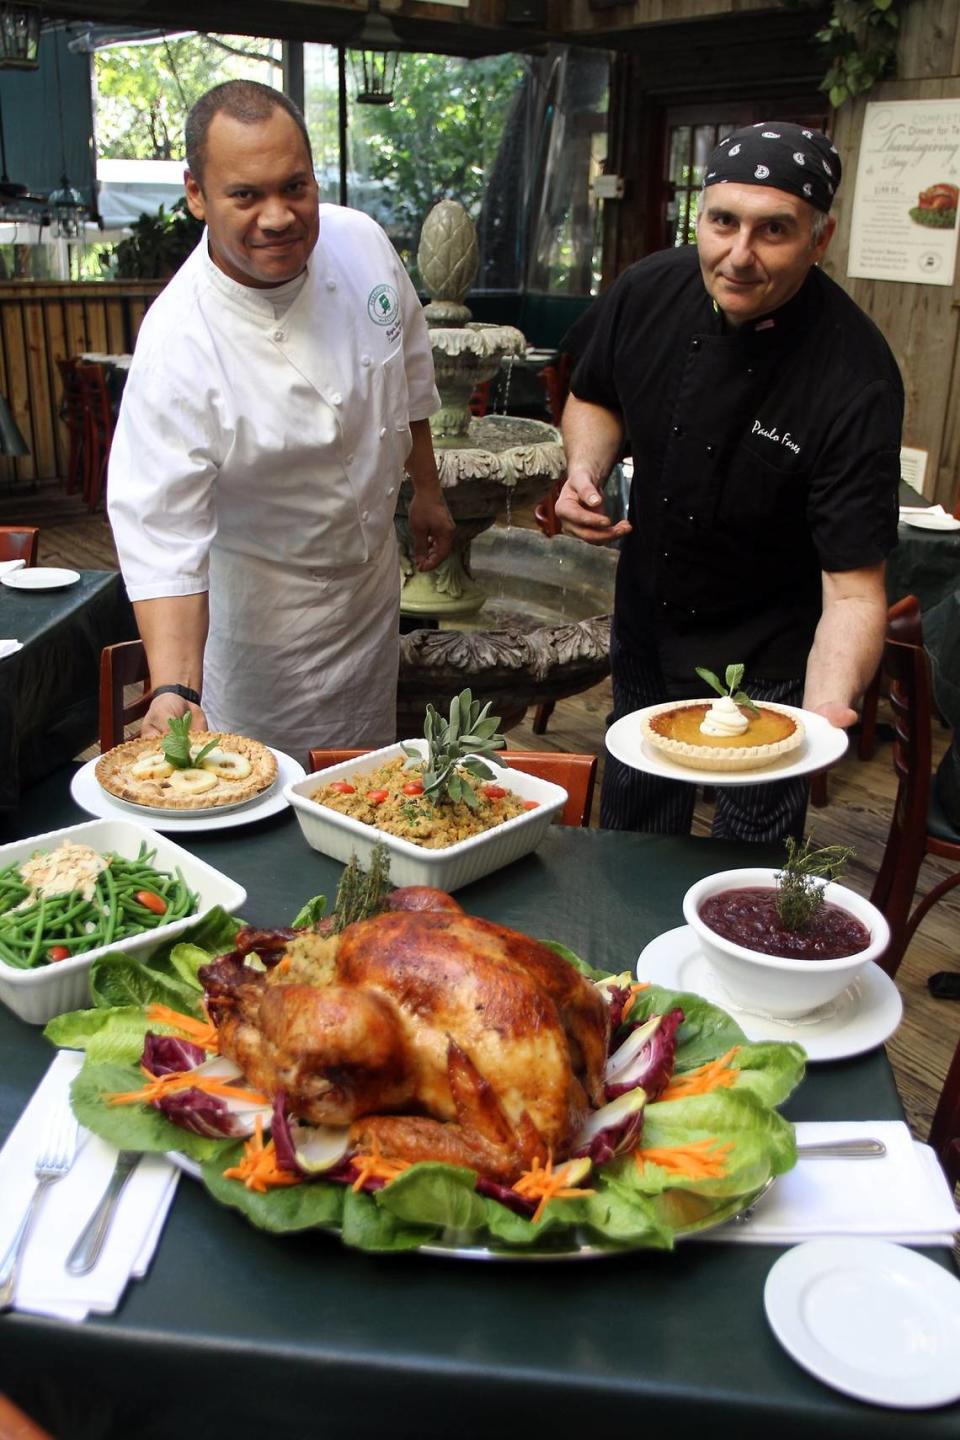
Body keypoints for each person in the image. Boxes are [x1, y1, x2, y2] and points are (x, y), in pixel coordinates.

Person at [556, 121, 903, 842]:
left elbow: (852, 590)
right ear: (701, 217)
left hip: (766, 647)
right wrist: (584, 470)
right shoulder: (647, 289)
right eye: (723, 222)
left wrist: (827, 704)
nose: (738, 256)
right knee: (635, 827)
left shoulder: (854, 375)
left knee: (751, 852)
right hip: (649, 613)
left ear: (820, 238)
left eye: (773, 231)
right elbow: (595, 393)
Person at [107, 80, 454, 762]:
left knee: (364, 784)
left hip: (368, 588)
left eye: (294, 187)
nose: (278, 216)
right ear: (197, 195)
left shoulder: (361, 243)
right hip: (268, 628)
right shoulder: (180, 343)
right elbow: (162, 531)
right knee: (267, 803)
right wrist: (174, 684)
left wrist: (428, 490)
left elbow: (405, 369)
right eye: (246, 195)